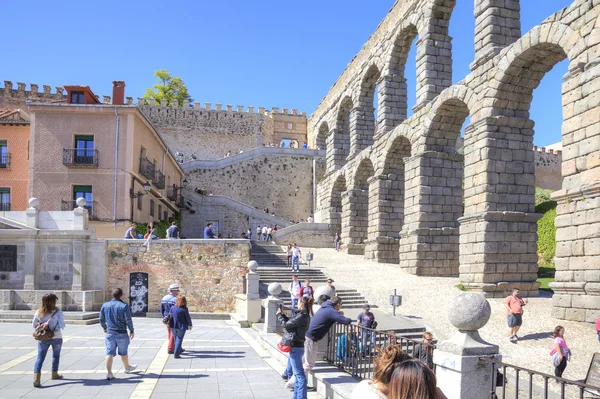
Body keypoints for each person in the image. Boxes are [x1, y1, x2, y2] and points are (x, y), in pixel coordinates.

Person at [303, 297, 352, 376]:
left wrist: (338, 313)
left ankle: (293, 383)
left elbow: (331, 315)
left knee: (305, 363)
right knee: (308, 365)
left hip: (308, 336)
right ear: (338, 305)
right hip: (311, 338)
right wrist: (350, 319)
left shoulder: (325, 307)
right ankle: (297, 385)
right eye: (341, 305)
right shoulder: (331, 310)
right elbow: (345, 321)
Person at [99, 288, 137, 380]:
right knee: (123, 352)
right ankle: (127, 367)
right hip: (121, 332)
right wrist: (131, 330)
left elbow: (101, 318)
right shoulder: (124, 306)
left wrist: (104, 327)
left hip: (110, 332)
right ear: (121, 295)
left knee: (109, 353)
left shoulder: (105, 305)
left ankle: (109, 373)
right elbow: (128, 319)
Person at [277, 296, 311, 399]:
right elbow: (291, 324)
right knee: (297, 374)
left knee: (299, 375)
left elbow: (286, 325)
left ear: (301, 304)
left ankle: (301, 397)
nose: (296, 304)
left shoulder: (303, 316)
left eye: (298, 302)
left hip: (296, 347)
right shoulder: (303, 315)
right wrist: (283, 315)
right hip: (297, 346)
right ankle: (296, 396)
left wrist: (279, 315)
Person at [32, 293, 66, 388]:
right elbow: (62, 325)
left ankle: (36, 379)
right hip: (56, 337)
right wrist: (53, 325)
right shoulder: (58, 312)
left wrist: (42, 325)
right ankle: (54, 374)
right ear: (53, 301)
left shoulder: (39, 312)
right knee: (55, 356)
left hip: (43, 337)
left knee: (40, 358)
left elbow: (34, 325)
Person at [161, 284, 180, 354]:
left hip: (166, 317)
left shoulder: (164, 298)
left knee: (169, 332)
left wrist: (164, 316)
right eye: (177, 290)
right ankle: (171, 348)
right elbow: (176, 310)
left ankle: (174, 345)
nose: (178, 291)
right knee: (173, 333)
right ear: (174, 291)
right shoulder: (176, 299)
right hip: (173, 317)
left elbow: (161, 308)